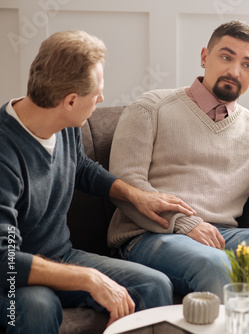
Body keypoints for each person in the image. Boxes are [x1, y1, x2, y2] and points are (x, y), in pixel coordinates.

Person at [107, 20, 249, 333]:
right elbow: (125, 184)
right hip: (151, 235)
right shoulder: (151, 107)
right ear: (203, 57)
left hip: (222, 236)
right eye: (226, 57)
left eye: (247, 64)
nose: (235, 71)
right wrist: (187, 223)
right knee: (215, 263)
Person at [0, 30, 195, 333]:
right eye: (97, 93)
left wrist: (136, 195)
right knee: (38, 308)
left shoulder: (64, 122)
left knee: (153, 284)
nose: (101, 99)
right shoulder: (5, 152)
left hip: (61, 256)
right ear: (70, 100)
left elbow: (81, 169)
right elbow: (5, 260)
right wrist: (89, 278)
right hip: (12, 280)